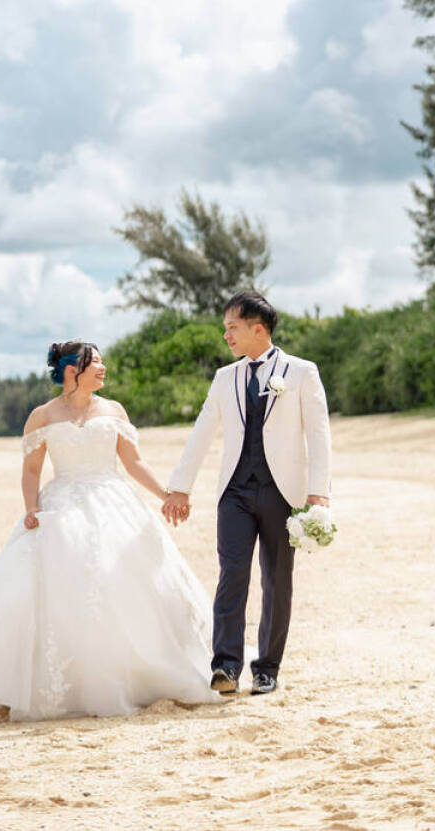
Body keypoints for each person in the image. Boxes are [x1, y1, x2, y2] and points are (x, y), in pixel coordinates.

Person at [0, 340, 218, 721]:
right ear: (72, 370)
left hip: (114, 502)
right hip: (62, 505)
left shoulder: (114, 410)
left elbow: (134, 463)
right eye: (95, 363)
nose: (103, 368)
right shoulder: (43, 416)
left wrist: (166, 494)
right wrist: (31, 508)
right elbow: (31, 470)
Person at [162, 291, 331, 696]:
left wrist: (318, 493)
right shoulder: (225, 377)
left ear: (258, 329)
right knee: (232, 575)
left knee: (277, 579)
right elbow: (202, 431)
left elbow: (319, 433)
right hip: (235, 493)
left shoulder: (301, 372)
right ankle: (226, 665)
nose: (226, 336)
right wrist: (180, 487)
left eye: (232, 327)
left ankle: (267, 668)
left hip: (282, 492)